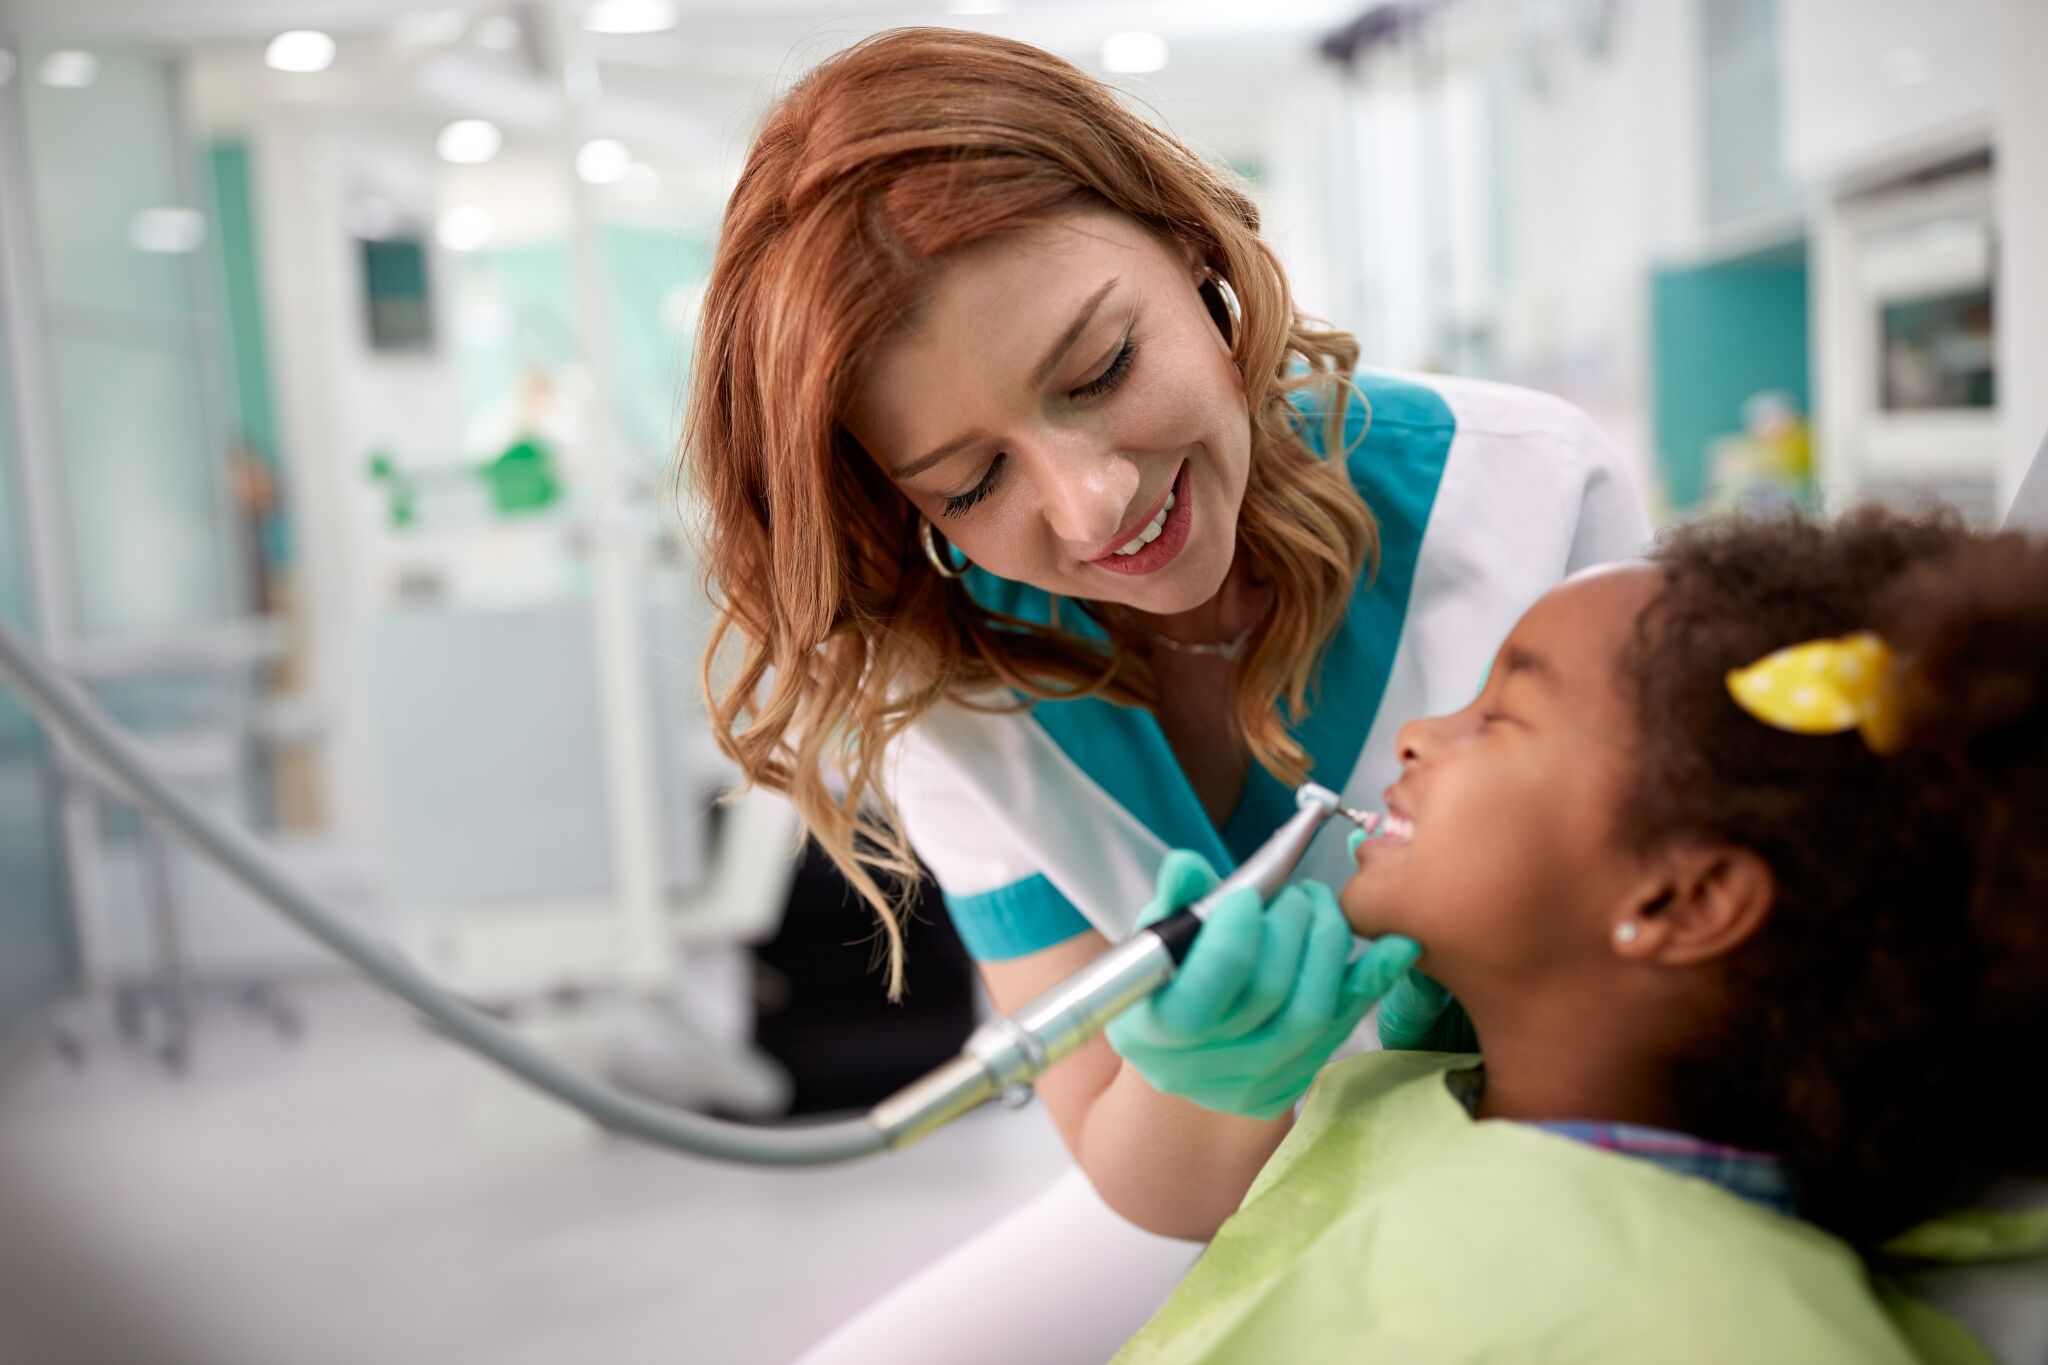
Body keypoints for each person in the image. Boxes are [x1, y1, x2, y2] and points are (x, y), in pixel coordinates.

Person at [681, 27, 1647, 1360]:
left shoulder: (1531, 497)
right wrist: (1217, 1079)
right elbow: (1132, 1166)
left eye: (1100, 371)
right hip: (1234, 1186)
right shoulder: (955, 696)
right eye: (969, 485)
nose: (1091, 505)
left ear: (1193, 248)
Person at [1117, 510, 2048, 1363]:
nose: (1414, 734)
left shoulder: (1737, 1333)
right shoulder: (1389, 1101)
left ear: (1686, 899)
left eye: (1499, 718)